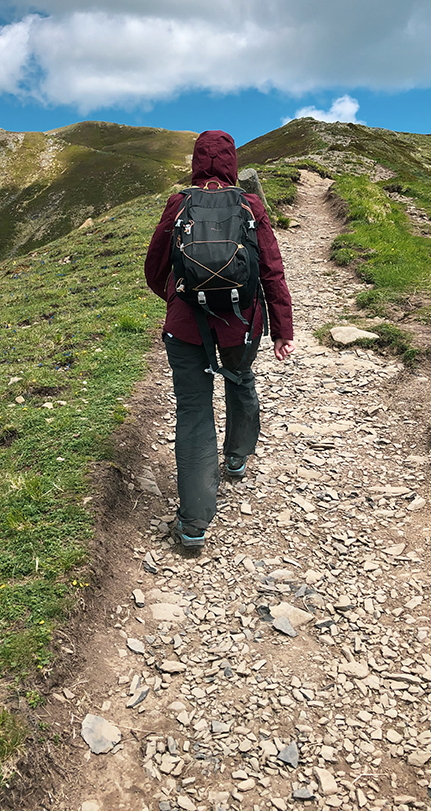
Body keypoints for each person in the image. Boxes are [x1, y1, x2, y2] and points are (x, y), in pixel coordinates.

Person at [144, 130, 294, 549]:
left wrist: (178, 298)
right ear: (231, 163)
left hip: (186, 327)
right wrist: (283, 329)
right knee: (240, 379)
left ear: (196, 162)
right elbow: (271, 271)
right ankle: (237, 457)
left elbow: (155, 267)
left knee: (194, 412)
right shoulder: (251, 205)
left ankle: (193, 526)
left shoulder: (179, 203)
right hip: (239, 325)